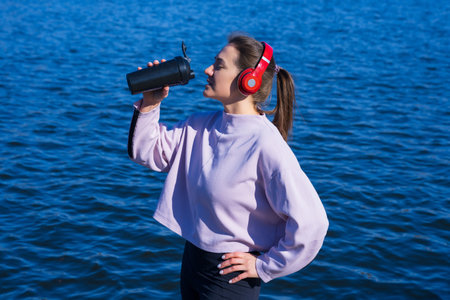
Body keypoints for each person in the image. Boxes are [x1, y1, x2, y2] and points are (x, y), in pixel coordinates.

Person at [128, 33, 329, 299]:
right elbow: (146, 151)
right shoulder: (198, 126)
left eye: (219, 65)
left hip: (229, 278)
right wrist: (151, 103)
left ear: (249, 79)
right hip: (193, 263)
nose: (207, 70)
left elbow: (313, 223)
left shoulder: (266, 145)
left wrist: (265, 266)